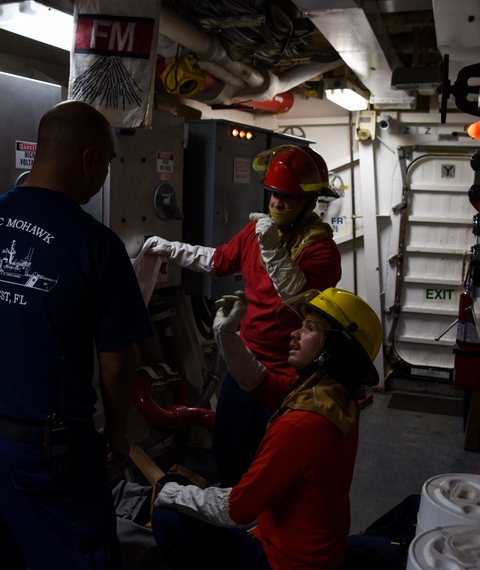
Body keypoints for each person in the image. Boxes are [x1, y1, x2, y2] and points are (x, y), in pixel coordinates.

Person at [0, 100, 152, 570]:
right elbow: (118, 365)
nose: (103, 177)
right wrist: (118, 432)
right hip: (46, 456)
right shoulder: (95, 245)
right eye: (105, 165)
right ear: (87, 160)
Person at [150, 287, 383, 570]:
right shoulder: (334, 397)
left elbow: (236, 509)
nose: (294, 333)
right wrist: (227, 333)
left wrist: (173, 494)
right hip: (318, 558)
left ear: (336, 350)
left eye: (311, 329)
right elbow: (256, 380)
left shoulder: (301, 425)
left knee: (168, 521)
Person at [142, 145, 342, 485]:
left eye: (288, 198)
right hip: (244, 365)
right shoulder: (256, 232)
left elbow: (294, 296)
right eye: (273, 195)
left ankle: (262, 528)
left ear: (309, 201)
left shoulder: (321, 250)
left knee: (275, 462)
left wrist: (273, 249)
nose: (277, 204)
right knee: (228, 447)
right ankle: (231, 518)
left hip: (287, 375)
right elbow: (217, 261)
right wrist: (170, 249)